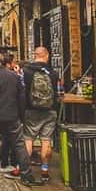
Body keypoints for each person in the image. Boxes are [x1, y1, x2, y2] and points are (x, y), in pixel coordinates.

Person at [0, 50, 38, 188]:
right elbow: (21, 98)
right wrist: (21, 117)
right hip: (12, 116)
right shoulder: (14, 76)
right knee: (19, 145)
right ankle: (26, 174)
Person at [22, 46, 60, 182]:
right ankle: (44, 170)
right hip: (49, 111)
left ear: (35, 55)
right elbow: (59, 93)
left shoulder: (26, 71)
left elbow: (21, 91)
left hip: (30, 110)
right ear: (47, 56)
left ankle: (26, 169)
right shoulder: (53, 73)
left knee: (28, 140)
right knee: (46, 140)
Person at [0, 54, 19, 174]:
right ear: (9, 64)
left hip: (2, 111)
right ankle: (12, 163)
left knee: (6, 139)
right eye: (14, 62)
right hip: (12, 111)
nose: (16, 64)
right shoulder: (14, 76)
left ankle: (5, 162)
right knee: (11, 139)